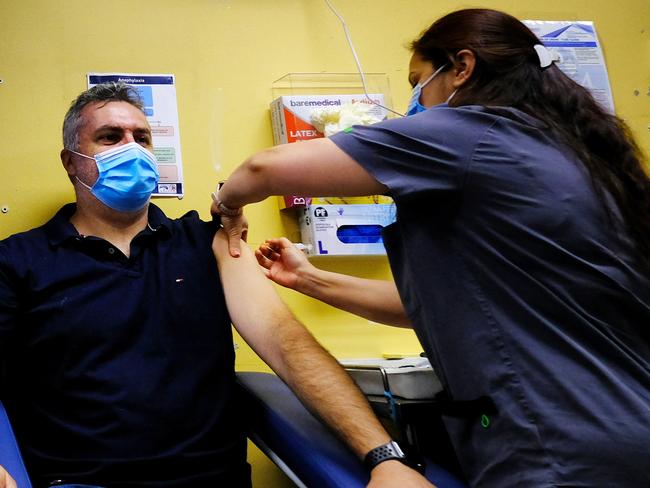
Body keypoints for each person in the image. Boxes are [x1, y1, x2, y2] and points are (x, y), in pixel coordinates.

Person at [211, 8, 650, 488]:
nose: (415, 101)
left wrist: (227, 203)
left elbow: (263, 170)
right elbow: (446, 307)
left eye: (419, 81)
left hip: (559, 438)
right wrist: (311, 279)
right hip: (624, 418)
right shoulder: (576, 155)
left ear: (462, 67)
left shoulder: (473, 134)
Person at [0, 82, 434, 487]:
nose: (132, 149)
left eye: (143, 138)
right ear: (71, 161)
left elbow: (284, 342)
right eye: (111, 137)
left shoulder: (209, 241)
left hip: (208, 479)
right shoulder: (18, 261)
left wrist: (384, 456)